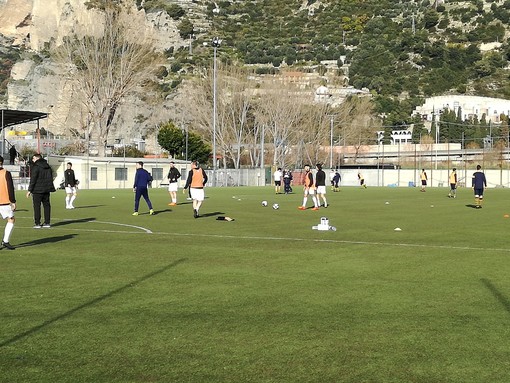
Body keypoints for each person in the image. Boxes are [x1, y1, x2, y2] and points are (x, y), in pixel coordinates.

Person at [27, 153, 55, 228]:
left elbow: (33, 179)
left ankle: (37, 223)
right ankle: (47, 222)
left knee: (37, 206)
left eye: (33, 158)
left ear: (36, 158)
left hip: (37, 190)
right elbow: (50, 178)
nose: (32, 160)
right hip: (46, 189)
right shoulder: (48, 166)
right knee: (47, 206)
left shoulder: (36, 167)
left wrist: (29, 190)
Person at [0, 155, 16, 249]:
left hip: (3, 201)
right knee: (11, 219)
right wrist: (13, 201)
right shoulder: (6, 173)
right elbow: (10, 187)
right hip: (4, 201)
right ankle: (5, 241)